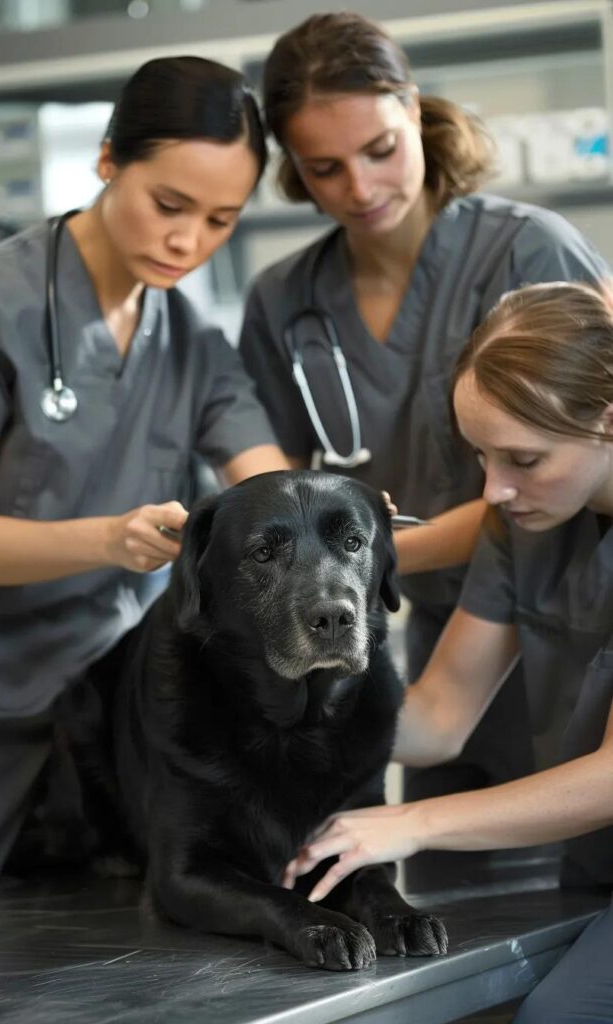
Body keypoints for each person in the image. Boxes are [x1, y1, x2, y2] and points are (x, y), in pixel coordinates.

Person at [0, 55, 288, 905]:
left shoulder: (194, 340)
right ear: (105, 160)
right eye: (169, 205)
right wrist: (107, 539)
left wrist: (332, 522)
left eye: (220, 221)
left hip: (115, 701)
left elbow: (268, 485)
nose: (188, 242)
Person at [239, 11, 611, 813]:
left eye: (379, 150)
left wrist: (353, 564)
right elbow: (276, 494)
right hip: (432, 644)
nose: (361, 188)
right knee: (453, 890)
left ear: (415, 110)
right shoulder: (284, 300)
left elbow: (567, 467)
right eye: (325, 168)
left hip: (558, 621)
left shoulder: (524, 253)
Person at [284, 280, 613, 1023]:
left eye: (523, 459)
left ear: (607, 422)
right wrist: (275, 725)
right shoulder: (523, 524)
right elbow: (435, 718)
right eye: (480, 457)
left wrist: (410, 822)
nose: (493, 490)